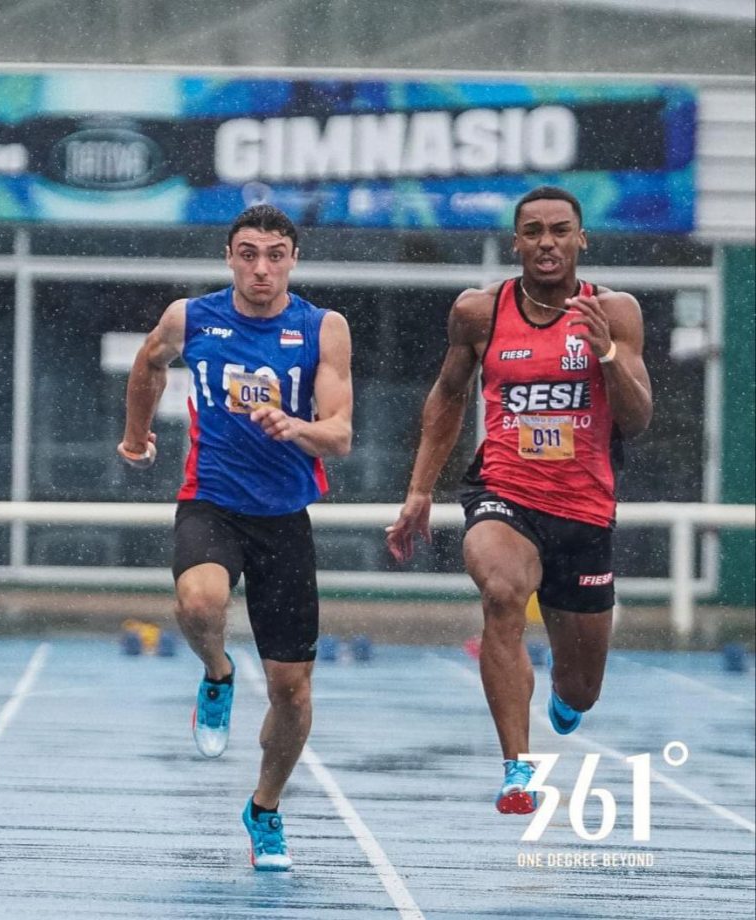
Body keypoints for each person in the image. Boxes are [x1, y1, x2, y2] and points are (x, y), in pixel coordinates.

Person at [386, 186, 652, 815]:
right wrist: (420, 489)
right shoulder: (480, 312)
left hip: (585, 510)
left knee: (582, 691)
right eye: (533, 231)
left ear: (581, 239)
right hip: (504, 492)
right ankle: (517, 768)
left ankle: (566, 695)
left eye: (560, 230)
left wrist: (607, 354)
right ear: (517, 242)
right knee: (502, 592)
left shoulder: (615, 311)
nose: (547, 243)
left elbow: (638, 419)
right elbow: (448, 397)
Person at [118, 204, 352, 869]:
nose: (261, 267)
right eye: (248, 253)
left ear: (293, 260)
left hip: (284, 520)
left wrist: (295, 427)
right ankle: (217, 675)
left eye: (275, 254)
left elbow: (340, 432)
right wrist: (137, 435)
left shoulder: (321, 329)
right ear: (229, 257)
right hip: (211, 503)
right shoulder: (192, 318)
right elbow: (147, 362)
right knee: (199, 604)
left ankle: (265, 809)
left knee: (293, 694)